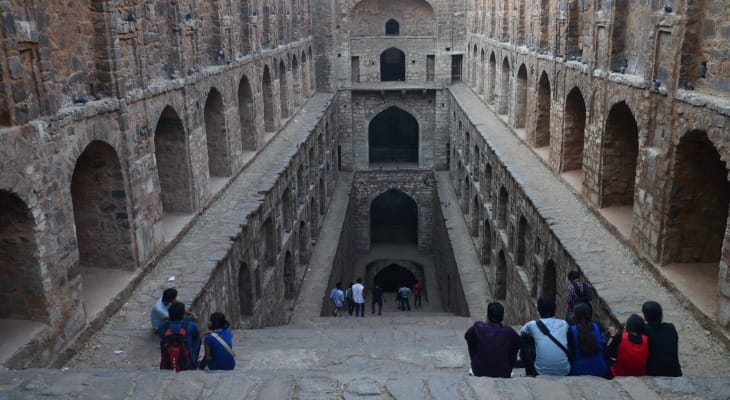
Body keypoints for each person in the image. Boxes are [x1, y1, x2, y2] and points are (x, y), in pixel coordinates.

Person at [464, 302, 520, 378]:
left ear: (487, 315)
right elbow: (519, 343)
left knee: (472, 337)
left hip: (478, 370)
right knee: (513, 343)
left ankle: (476, 361)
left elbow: (467, 336)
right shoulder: (509, 332)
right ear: (502, 317)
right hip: (504, 372)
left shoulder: (478, 327)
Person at [520, 297, 571, 376]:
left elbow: (522, 332)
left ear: (539, 310)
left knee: (525, 338)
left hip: (540, 371)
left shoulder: (532, 325)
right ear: (554, 310)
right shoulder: (564, 324)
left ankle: (529, 372)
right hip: (565, 370)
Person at [567, 303, 609, 377]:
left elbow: (570, 354)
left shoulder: (572, 331)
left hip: (578, 371)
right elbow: (604, 345)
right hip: (601, 370)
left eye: (573, 313)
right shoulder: (598, 327)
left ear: (576, 316)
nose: (571, 315)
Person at [157, 302, 201, 371]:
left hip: (168, 361)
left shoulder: (162, 327)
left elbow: (161, 335)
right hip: (187, 361)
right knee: (198, 338)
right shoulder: (191, 325)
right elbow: (196, 335)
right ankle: (194, 360)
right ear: (183, 314)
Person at [642, 301, 682, 376]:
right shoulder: (671, 328)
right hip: (675, 371)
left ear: (646, 316)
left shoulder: (644, 330)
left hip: (653, 373)